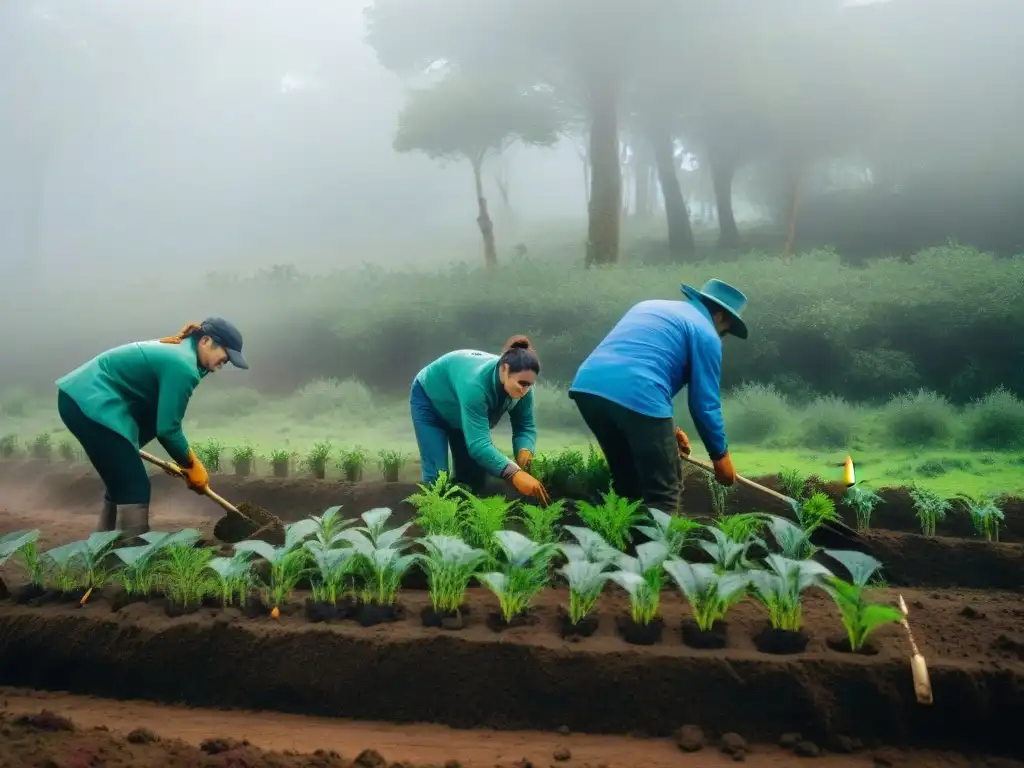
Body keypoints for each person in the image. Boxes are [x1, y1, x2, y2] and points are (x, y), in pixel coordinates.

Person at [55, 317, 249, 537]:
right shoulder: (182, 365)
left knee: (123, 477)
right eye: (223, 358)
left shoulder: (180, 353)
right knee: (135, 488)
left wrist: (180, 463)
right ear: (205, 341)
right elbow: (168, 429)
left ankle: (103, 547)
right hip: (90, 402)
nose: (220, 366)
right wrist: (192, 464)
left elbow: (156, 418)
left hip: (86, 399)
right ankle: (130, 558)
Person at [568, 279, 748, 512]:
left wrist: (666, 432)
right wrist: (720, 457)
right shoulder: (706, 333)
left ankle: (626, 545)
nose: (723, 336)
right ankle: (656, 549)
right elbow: (705, 404)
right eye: (727, 330)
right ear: (721, 316)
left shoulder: (650, 306)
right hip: (639, 394)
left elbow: (636, 364)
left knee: (628, 483)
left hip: (588, 388)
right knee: (663, 492)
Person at [411, 336, 551, 504]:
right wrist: (514, 473)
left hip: (461, 412)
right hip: (430, 401)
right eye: (522, 384)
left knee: (473, 481)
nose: (525, 390)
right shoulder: (475, 385)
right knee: (437, 479)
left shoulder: (524, 390)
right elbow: (478, 445)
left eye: (529, 385)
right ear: (504, 369)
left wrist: (524, 451)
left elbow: (525, 427)